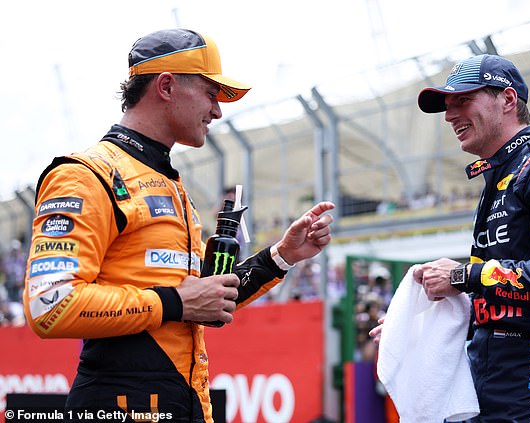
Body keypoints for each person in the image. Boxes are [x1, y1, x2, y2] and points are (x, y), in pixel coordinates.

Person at [23, 28, 334, 423]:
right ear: (167, 86)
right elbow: (50, 304)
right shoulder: (86, 174)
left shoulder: (171, 184)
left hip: (182, 403)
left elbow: (204, 298)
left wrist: (282, 257)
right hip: (117, 405)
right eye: (210, 93)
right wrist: (175, 302)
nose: (218, 111)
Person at [370, 54, 530, 421]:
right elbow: (508, 303)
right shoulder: (498, 179)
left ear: (507, 100)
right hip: (488, 391)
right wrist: (423, 322)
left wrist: (462, 275)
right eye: (447, 107)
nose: (449, 115)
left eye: (462, 101)